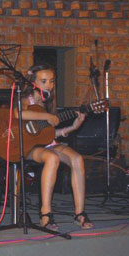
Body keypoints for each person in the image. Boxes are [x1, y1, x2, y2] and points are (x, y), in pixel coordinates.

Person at [19, 64, 93, 229]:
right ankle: (45, 213)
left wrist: (72, 127)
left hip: (46, 143)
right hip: (27, 146)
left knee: (77, 158)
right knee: (52, 158)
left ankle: (79, 213)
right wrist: (46, 116)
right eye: (44, 81)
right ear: (33, 82)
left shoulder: (49, 102)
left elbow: (49, 133)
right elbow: (18, 113)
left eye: (51, 81)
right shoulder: (25, 99)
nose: (49, 85)